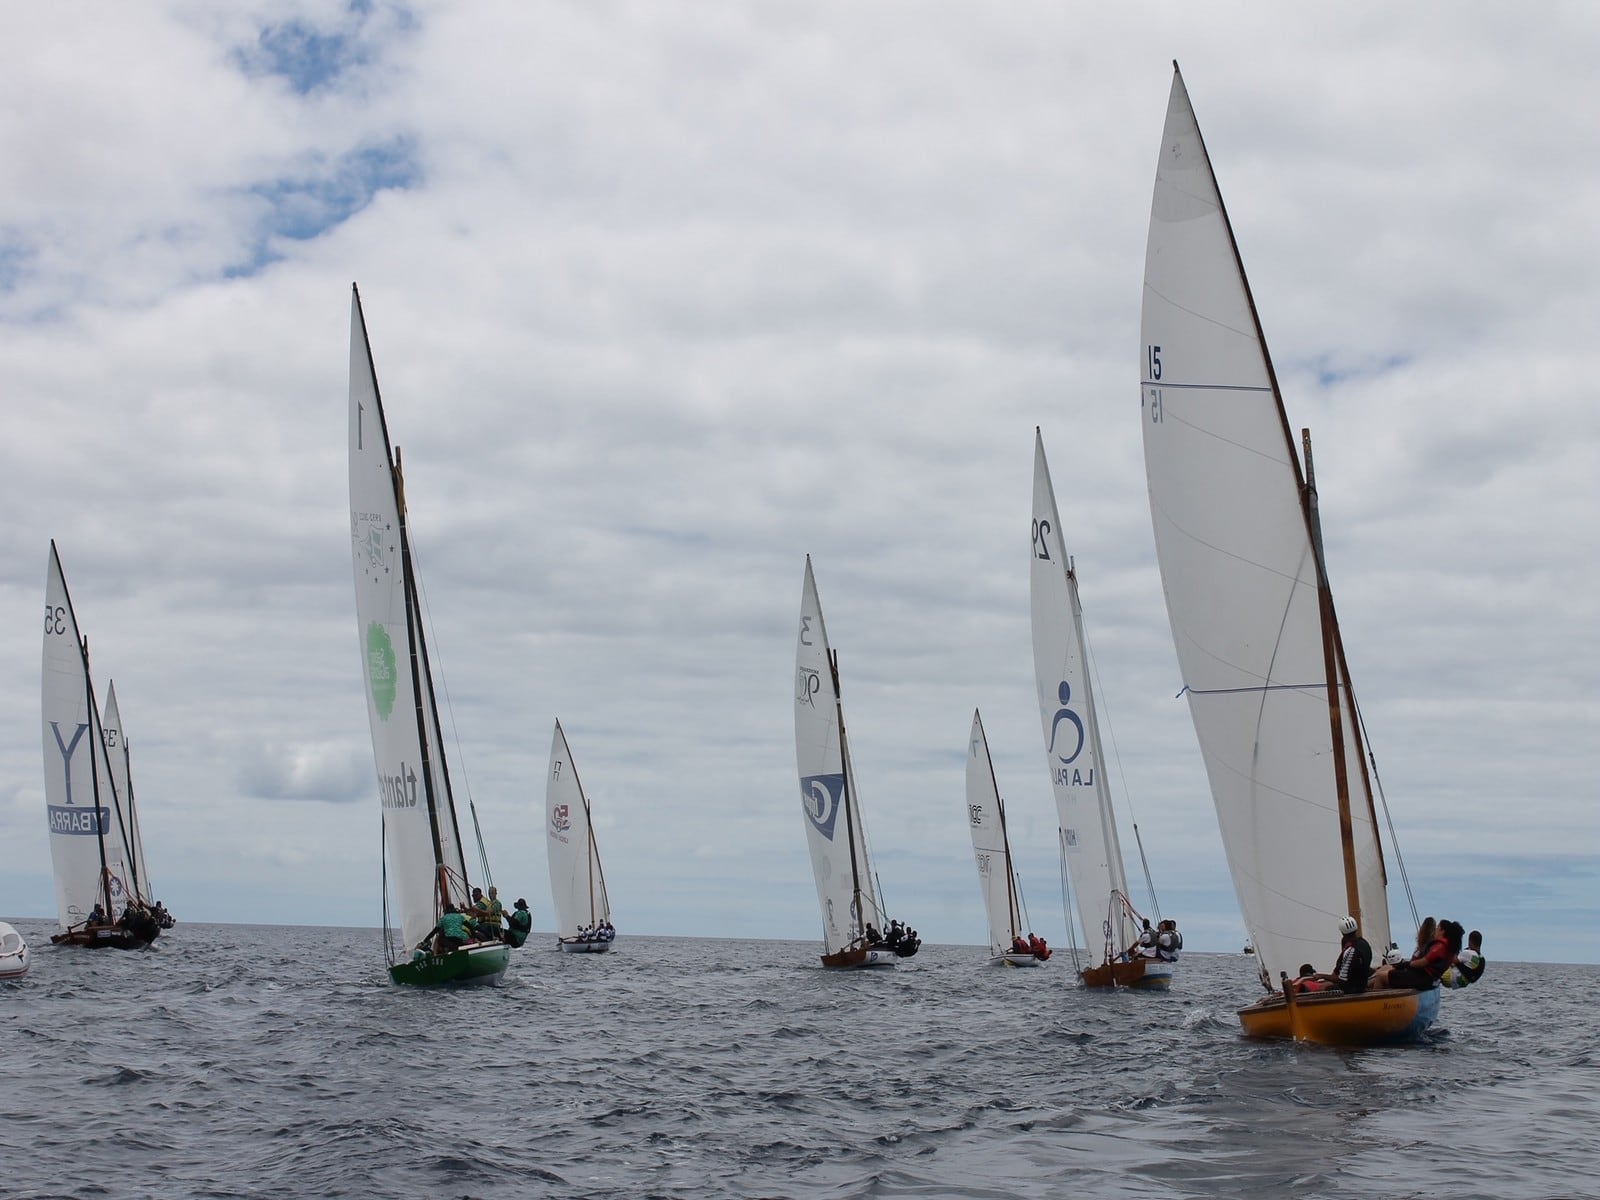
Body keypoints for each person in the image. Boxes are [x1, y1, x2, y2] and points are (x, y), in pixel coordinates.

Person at [1371, 918, 1461, 991]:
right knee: (1385, 970)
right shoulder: (1449, 949)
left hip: (1421, 979)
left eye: (1438, 927)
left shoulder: (1439, 948)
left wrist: (1405, 964)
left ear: (1442, 931)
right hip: (1425, 979)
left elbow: (1422, 963)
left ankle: (1373, 1006)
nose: (1436, 929)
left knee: (1380, 977)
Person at [1327, 915, 1373, 993]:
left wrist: (1321, 976)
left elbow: (1342, 980)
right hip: (1362, 986)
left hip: (1351, 990)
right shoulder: (1364, 943)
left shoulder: (1351, 950)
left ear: (1342, 932)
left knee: (1323, 987)